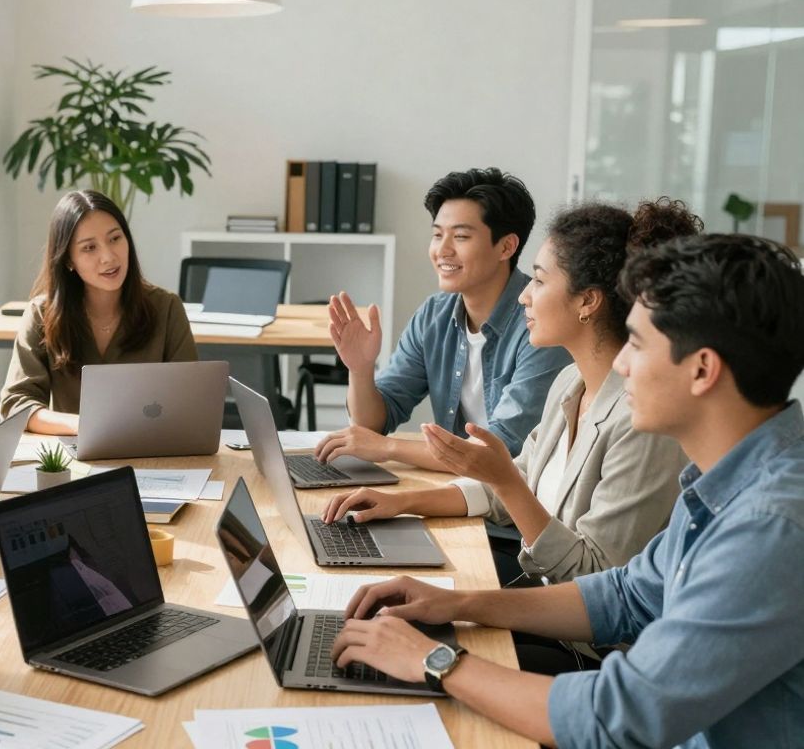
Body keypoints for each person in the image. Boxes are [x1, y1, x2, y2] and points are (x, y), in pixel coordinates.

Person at [327, 233, 804, 748]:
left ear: (703, 370)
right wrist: (454, 603)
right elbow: (625, 594)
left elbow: (622, 718)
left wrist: (433, 659)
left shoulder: (769, 525)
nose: (622, 365)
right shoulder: (729, 484)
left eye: (638, 345)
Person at [321, 201, 694, 592]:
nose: (524, 297)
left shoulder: (641, 422)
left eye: (539, 281)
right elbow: (512, 480)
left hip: (583, 641)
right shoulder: (571, 382)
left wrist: (502, 483)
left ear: (587, 301)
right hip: (541, 592)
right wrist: (403, 504)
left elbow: (595, 581)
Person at [315, 168, 571, 472]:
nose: (442, 250)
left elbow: (502, 449)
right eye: (438, 235)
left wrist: (388, 449)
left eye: (461, 236)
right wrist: (360, 370)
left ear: (506, 246)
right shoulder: (434, 315)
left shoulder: (540, 322)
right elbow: (374, 423)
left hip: (512, 503)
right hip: (457, 486)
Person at [0, 190, 198, 435]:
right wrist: (83, 425)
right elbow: (17, 404)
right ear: (68, 260)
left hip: (152, 454)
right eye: (89, 247)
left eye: (115, 238)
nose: (108, 257)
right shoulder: (42, 313)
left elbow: (192, 401)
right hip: (75, 459)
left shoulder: (166, 308)